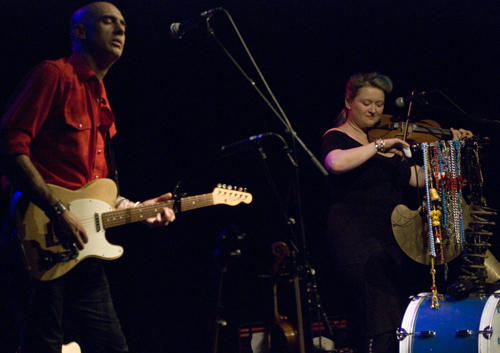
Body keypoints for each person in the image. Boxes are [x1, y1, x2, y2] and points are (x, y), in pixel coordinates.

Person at [0, 2, 176, 352]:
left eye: (123, 23)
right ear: (79, 32)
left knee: (111, 345)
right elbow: (10, 145)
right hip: (37, 237)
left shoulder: (101, 97)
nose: (121, 29)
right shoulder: (54, 75)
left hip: (81, 247)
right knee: (42, 344)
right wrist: (56, 211)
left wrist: (136, 207)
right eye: (109, 22)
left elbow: (95, 183)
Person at [321, 72, 473, 353]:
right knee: (380, 311)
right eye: (367, 103)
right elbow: (335, 163)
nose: (374, 110)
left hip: (391, 236)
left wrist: (450, 148)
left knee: (391, 314)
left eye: (379, 104)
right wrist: (379, 146)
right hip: (354, 232)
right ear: (348, 102)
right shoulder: (339, 137)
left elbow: (418, 178)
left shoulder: (386, 143)